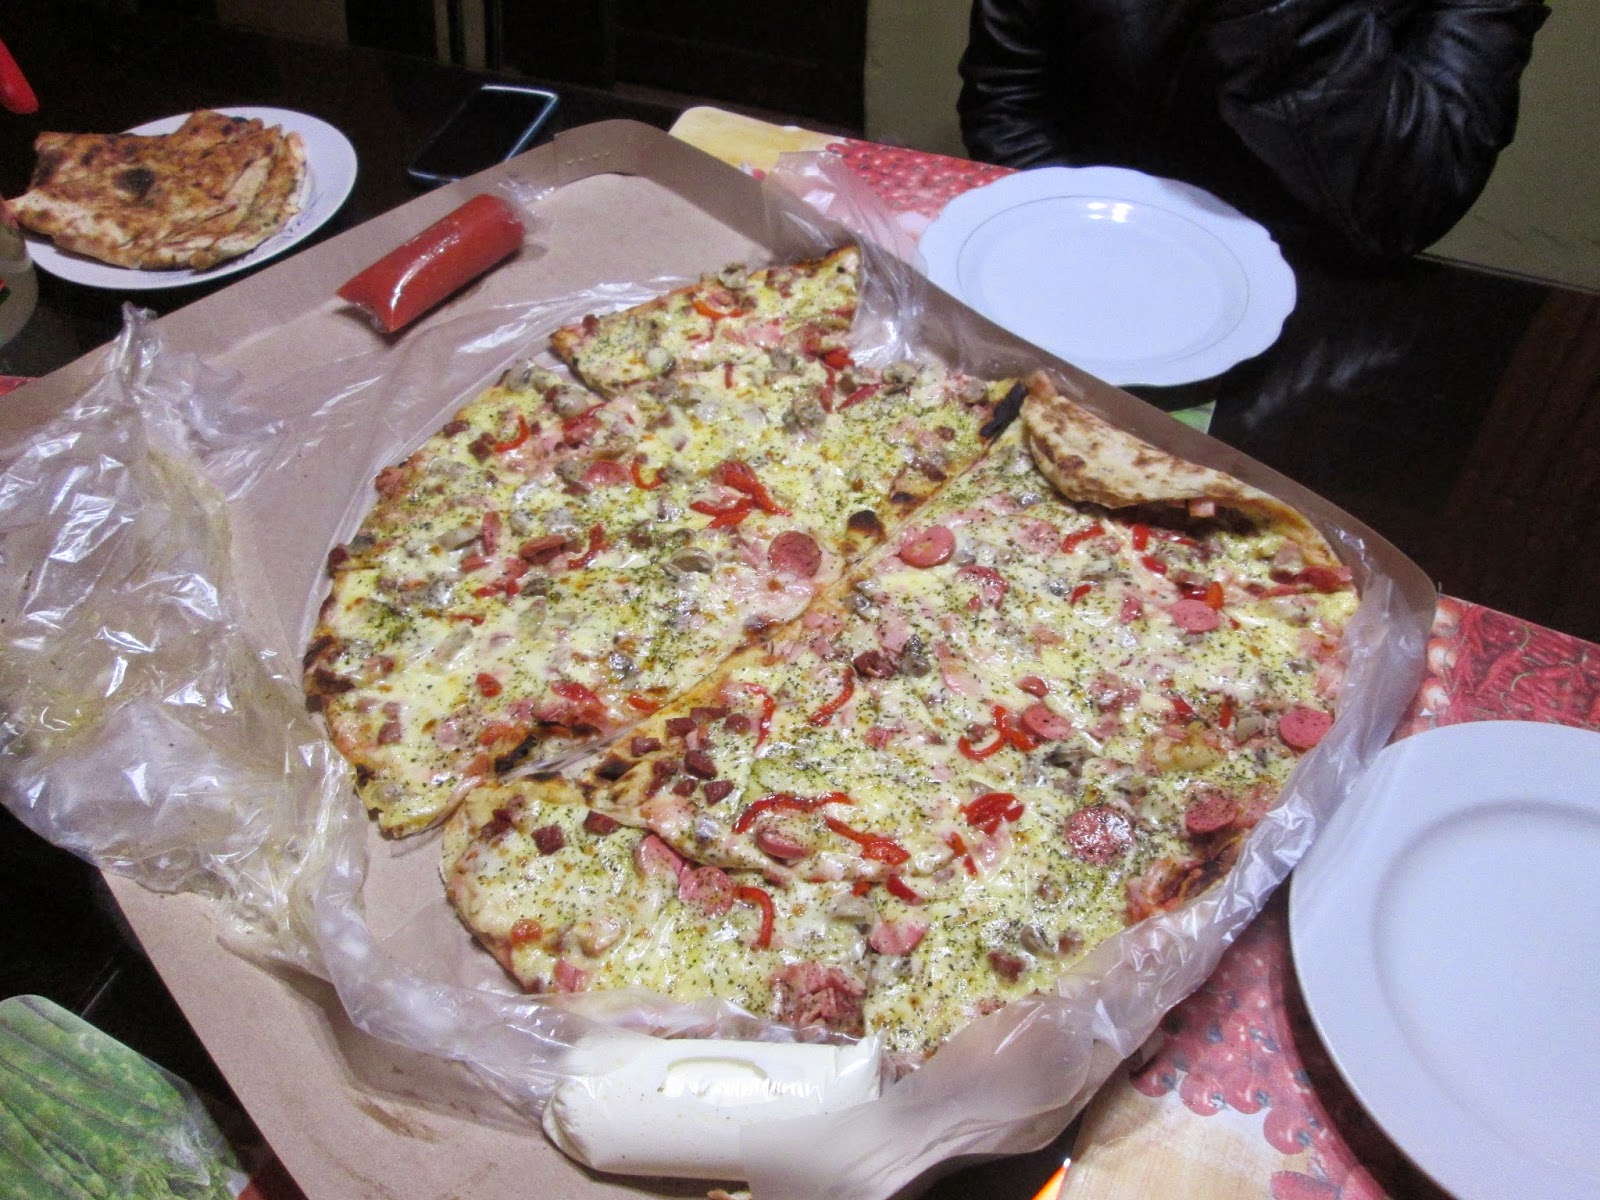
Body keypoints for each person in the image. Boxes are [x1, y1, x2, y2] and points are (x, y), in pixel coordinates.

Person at [957, 0, 1550, 262]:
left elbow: (1409, 202)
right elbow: (1005, 97)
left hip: (1315, 304)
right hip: (1077, 253)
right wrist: (1073, 244)